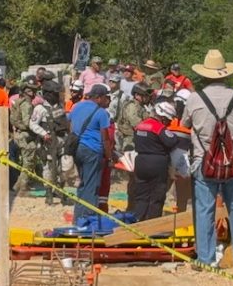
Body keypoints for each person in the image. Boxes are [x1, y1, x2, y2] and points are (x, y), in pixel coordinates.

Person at [182, 49, 233, 271]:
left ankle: (205, 259)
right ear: (225, 74)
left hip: (203, 162)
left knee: (205, 210)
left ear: (205, 74)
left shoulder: (195, 99)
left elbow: (186, 124)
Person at [68, 83, 112, 220]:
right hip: (92, 150)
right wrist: (109, 157)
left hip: (77, 148)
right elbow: (105, 138)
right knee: (92, 186)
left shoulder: (76, 106)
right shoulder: (101, 113)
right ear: (99, 97)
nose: (107, 101)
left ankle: (78, 217)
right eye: (106, 97)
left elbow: (69, 124)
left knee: (83, 184)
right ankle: (87, 219)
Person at [131, 101, 179, 220]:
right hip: (156, 164)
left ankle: (138, 223)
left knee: (141, 196)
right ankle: (153, 227)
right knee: (157, 196)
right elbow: (172, 141)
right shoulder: (158, 127)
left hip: (140, 162)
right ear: (162, 117)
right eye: (168, 120)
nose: (168, 123)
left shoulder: (140, 125)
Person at [30, 80, 70, 205]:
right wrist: (44, 134)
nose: (57, 96)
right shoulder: (40, 108)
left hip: (61, 141)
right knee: (48, 168)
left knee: (64, 167)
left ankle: (60, 190)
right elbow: (32, 123)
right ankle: (48, 193)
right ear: (48, 94)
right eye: (54, 93)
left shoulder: (60, 106)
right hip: (48, 143)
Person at [10, 77, 40, 195]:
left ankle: (18, 185)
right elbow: (28, 123)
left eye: (33, 91)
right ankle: (22, 188)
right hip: (26, 135)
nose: (33, 93)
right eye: (30, 91)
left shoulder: (19, 102)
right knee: (28, 162)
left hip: (19, 134)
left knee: (26, 161)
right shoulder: (26, 105)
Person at [168, 89, 193, 212]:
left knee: (182, 195)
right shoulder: (169, 117)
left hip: (184, 159)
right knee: (162, 190)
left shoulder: (191, 121)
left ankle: (180, 216)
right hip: (168, 159)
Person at [116, 83, 150, 152]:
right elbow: (137, 124)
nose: (147, 98)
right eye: (145, 95)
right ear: (136, 95)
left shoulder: (141, 106)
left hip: (136, 138)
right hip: (129, 140)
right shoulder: (132, 106)